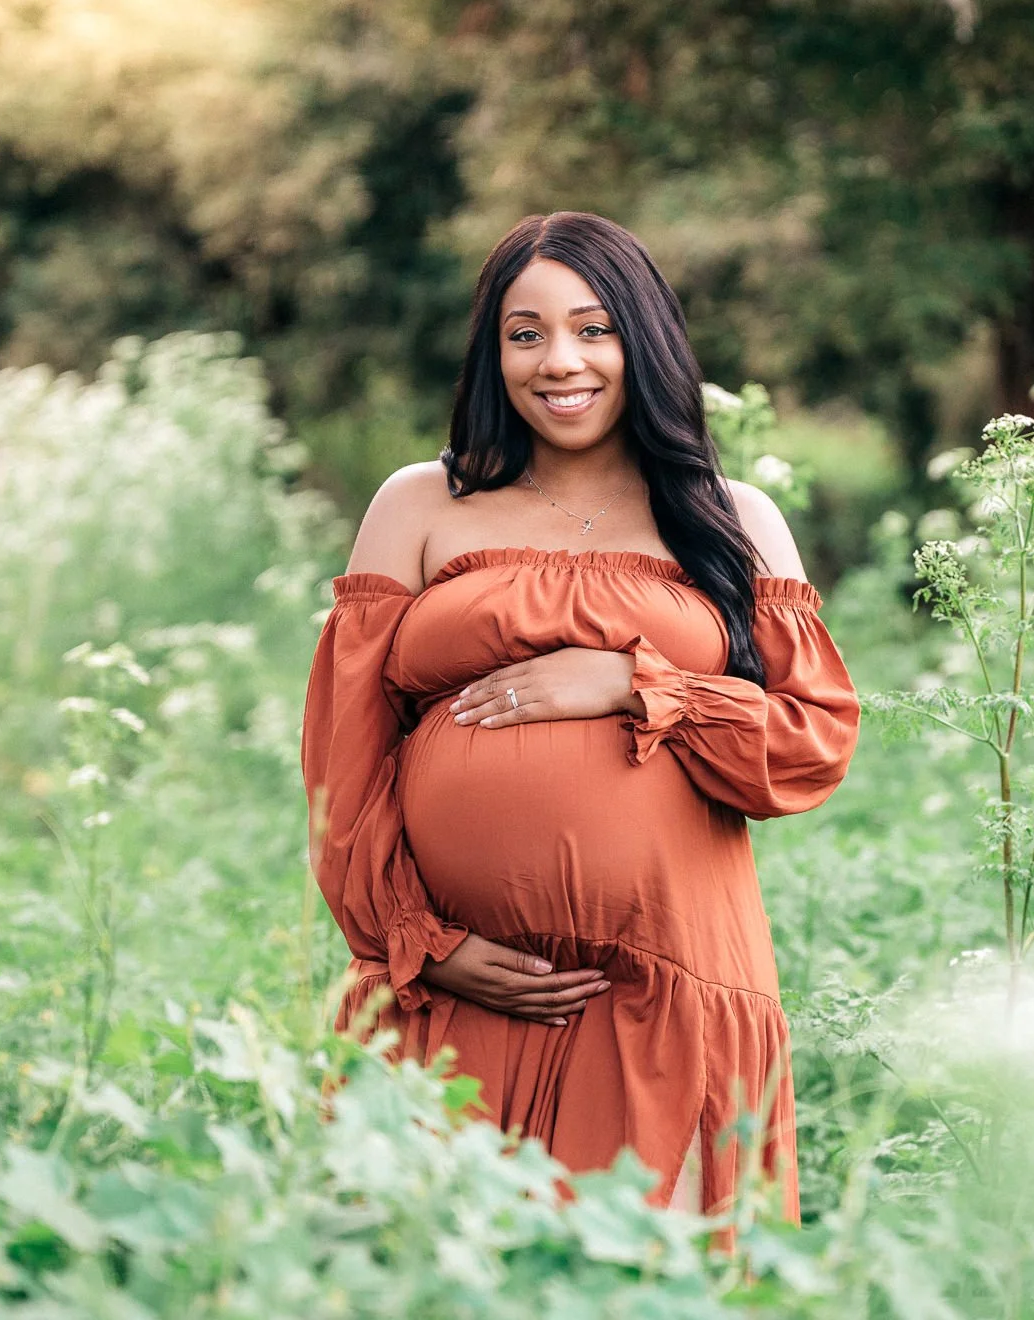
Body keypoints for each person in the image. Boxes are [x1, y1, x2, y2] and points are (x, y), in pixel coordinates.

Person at [299, 210, 861, 1226]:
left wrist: (635, 680)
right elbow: (346, 762)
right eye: (526, 333)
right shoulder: (421, 504)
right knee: (431, 1273)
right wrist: (420, 941)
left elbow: (808, 748)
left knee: (645, 1279)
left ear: (641, 340)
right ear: (492, 351)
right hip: (455, 990)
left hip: (663, 994)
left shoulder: (732, 518)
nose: (559, 360)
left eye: (592, 328)